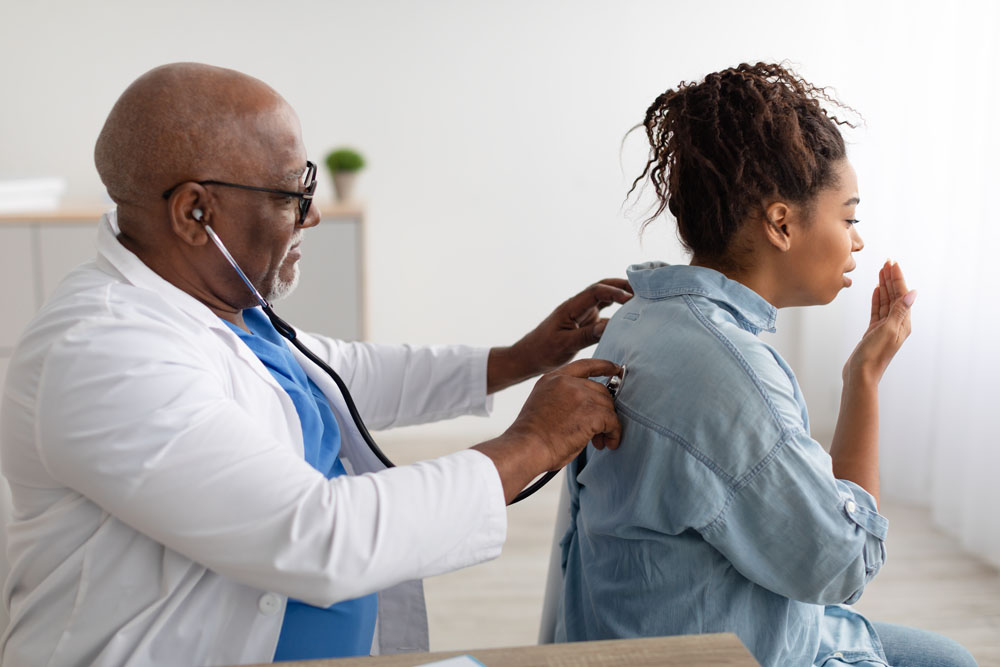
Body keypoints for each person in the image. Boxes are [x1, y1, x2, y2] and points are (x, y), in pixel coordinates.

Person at [0, 62, 632, 666]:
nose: (315, 213)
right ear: (196, 213)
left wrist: (522, 358)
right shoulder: (102, 354)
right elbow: (317, 536)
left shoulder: (213, 302)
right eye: (292, 192)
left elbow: (337, 376)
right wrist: (529, 444)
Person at [555, 63, 976, 667]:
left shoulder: (643, 317)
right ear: (781, 223)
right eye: (849, 217)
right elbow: (844, 565)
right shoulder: (729, 372)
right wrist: (864, 380)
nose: (857, 241)